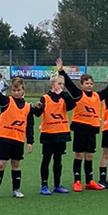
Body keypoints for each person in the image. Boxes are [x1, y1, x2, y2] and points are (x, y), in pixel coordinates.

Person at [0, 74, 33, 198]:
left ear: (23, 90)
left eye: (18, 90)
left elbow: (29, 126)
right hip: (5, 139)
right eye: (14, 90)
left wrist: (30, 141)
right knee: (1, 164)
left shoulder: (28, 107)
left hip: (18, 140)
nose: (16, 92)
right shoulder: (6, 101)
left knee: (16, 164)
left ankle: (16, 189)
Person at [38, 61, 80, 194]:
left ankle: (57, 185)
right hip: (48, 133)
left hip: (61, 133)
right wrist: (37, 108)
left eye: (63, 84)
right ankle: (44, 185)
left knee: (58, 160)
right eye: (59, 84)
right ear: (53, 84)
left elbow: (72, 105)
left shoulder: (64, 98)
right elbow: (38, 113)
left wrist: (63, 93)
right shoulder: (45, 98)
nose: (61, 86)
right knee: (46, 159)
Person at [70, 71, 107, 192]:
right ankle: (77, 181)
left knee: (89, 155)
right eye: (87, 83)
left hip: (92, 129)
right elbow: (69, 85)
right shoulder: (78, 94)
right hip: (80, 128)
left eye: (91, 83)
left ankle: (89, 181)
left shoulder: (97, 96)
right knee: (79, 155)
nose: (89, 85)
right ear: (81, 85)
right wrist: (61, 71)